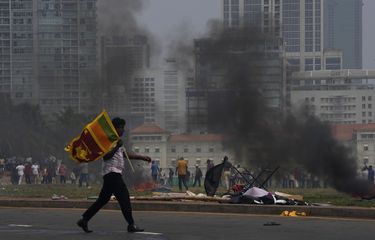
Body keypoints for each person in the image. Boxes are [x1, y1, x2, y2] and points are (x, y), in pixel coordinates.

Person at [76, 117, 151, 234]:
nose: (123, 130)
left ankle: (84, 219)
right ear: (115, 128)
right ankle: (131, 224)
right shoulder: (108, 141)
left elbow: (125, 154)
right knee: (124, 198)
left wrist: (142, 157)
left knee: (103, 200)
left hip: (111, 175)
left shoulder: (116, 141)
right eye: (121, 128)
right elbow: (105, 156)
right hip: (113, 174)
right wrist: (116, 146)